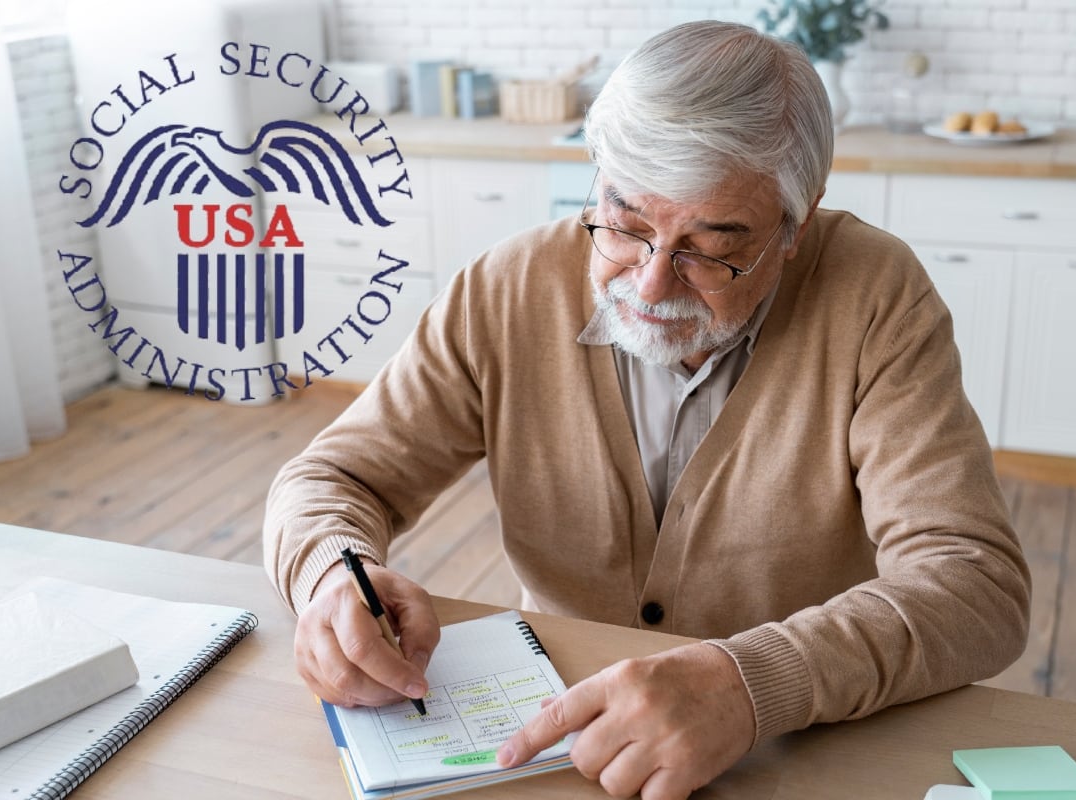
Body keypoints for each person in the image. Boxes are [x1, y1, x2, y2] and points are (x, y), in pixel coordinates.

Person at [263, 20, 1031, 800]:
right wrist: (333, 575)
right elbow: (332, 477)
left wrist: (750, 681)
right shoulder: (505, 289)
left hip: (793, 742)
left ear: (797, 223)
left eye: (710, 247)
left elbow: (975, 584)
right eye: (627, 225)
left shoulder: (876, 296)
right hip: (560, 740)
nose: (653, 283)